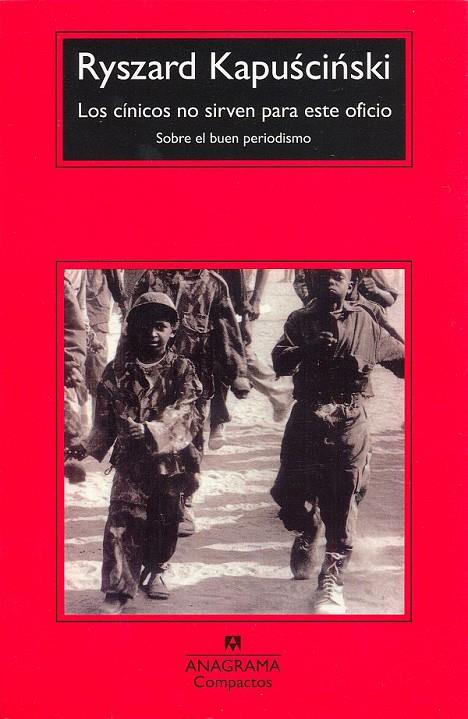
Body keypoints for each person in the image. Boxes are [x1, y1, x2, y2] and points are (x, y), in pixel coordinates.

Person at [271, 269, 404, 614]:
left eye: (337, 277)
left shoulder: (367, 320)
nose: (330, 282)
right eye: (323, 277)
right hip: (306, 419)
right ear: (311, 283)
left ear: (350, 284)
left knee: (343, 499)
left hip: (349, 421)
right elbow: (279, 360)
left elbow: (404, 361)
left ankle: (331, 580)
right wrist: (306, 350)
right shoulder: (299, 320)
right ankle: (307, 526)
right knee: (290, 496)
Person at [69, 292, 203, 614]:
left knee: (165, 520)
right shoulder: (116, 373)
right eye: (144, 326)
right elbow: (103, 425)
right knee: (122, 520)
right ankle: (117, 588)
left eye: (160, 326)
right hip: (130, 463)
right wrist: (81, 448)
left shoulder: (182, 370)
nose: (152, 334)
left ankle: (156, 570)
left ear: (172, 330)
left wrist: (150, 430)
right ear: (132, 329)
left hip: (171, 465)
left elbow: (187, 415)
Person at [128, 269, 250, 535]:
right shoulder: (151, 279)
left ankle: (184, 502)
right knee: (151, 435)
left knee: (189, 442)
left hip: (194, 381)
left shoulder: (214, 285)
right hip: (153, 376)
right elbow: (131, 328)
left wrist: (238, 373)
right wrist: (123, 367)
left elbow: (228, 333)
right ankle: (149, 497)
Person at [209, 269, 292, 449]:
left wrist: (256, 299)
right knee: (226, 354)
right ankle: (279, 392)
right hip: (211, 291)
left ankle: (218, 421)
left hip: (240, 297)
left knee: (237, 353)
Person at [294, 268, 399, 309]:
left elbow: (390, 299)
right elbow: (301, 285)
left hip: (358, 316)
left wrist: (376, 290)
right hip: (318, 315)